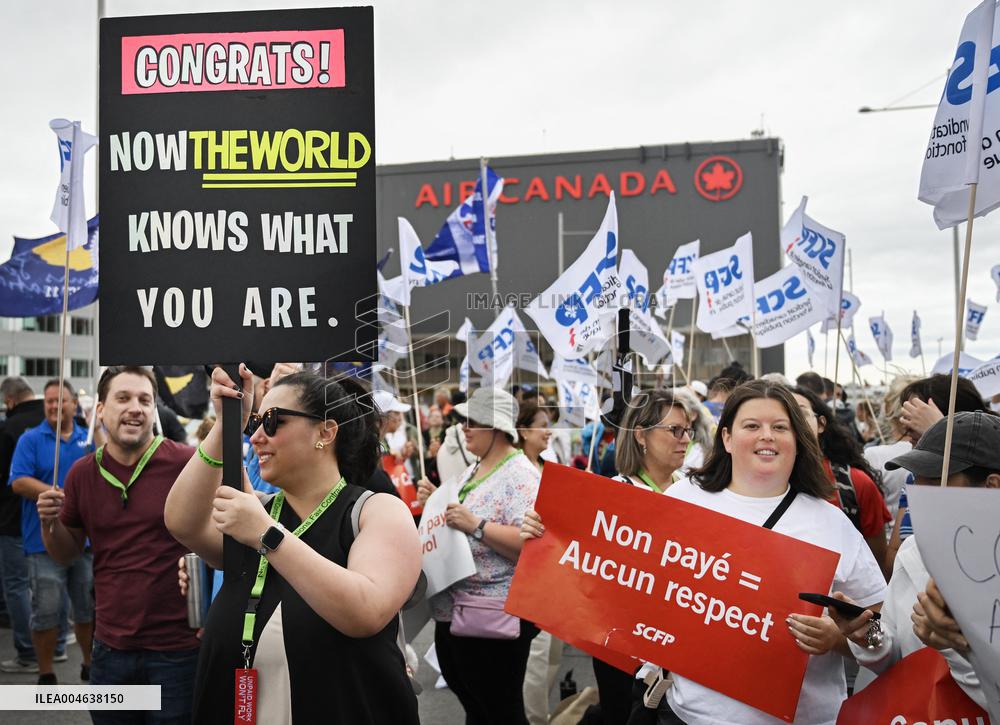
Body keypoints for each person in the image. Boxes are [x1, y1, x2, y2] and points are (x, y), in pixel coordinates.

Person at [525, 381, 886, 724]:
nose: (766, 436)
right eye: (751, 425)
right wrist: (550, 534)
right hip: (689, 715)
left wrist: (837, 639)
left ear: (798, 439)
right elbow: (617, 578)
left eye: (780, 426)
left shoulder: (831, 523)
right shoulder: (682, 501)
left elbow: (885, 636)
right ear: (726, 437)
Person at [164, 366, 421, 724]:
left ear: (325, 432)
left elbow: (365, 611)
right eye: (255, 422)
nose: (256, 437)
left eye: (272, 421)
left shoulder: (375, 510)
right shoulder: (260, 512)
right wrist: (226, 426)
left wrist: (267, 535)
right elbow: (182, 521)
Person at [37, 366, 201, 721]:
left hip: (178, 653)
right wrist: (48, 522)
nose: (136, 408)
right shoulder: (82, 473)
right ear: (100, 410)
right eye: (123, 398)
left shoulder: (187, 464)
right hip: (111, 650)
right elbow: (66, 553)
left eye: (145, 400)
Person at [522, 390, 692, 725]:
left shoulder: (697, 492)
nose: (684, 439)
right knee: (621, 715)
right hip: (620, 645)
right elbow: (573, 561)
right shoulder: (608, 496)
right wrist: (541, 531)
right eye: (674, 430)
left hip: (679, 643)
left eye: (688, 430)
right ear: (641, 435)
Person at [831, 411, 995, 710]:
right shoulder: (913, 551)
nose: (919, 494)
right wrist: (866, 633)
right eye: (915, 480)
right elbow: (894, 654)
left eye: (935, 480)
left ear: (992, 485)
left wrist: (955, 645)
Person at [416, 386, 541, 725]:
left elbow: (532, 544)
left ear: (497, 427)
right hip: (460, 613)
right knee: (479, 707)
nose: (463, 428)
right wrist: (436, 499)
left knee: (499, 710)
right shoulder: (476, 467)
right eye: (462, 420)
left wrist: (477, 525)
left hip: (493, 618)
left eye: (473, 421)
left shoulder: (522, 476)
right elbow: (458, 513)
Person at [9, 379, 95, 685]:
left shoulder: (88, 440)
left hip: (85, 543)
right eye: (49, 401)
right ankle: (46, 673)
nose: (55, 406)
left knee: (86, 609)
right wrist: (59, 493)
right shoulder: (30, 439)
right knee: (45, 610)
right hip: (41, 542)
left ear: (74, 404)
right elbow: (19, 481)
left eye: (61, 400)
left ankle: (88, 664)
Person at [792, 388, 891, 579]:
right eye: (781, 415)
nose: (789, 421)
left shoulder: (856, 483)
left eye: (799, 413)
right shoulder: (752, 485)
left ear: (821, 424)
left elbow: (876, 566)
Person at [515, 402, 560, 725]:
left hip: (556, 574)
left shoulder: (549, 465)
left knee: (552, 658)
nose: (548, 431)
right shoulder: (516, 471)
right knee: (537, 656)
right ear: (523, 430)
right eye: (542, 424)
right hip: (530, 577)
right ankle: (533, 719)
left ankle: (540, 714)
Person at [0, 377, 47, 674]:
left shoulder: (9, 429)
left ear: (10, 401)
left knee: (17, 586)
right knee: (54, 580)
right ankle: (54, 643)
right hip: (52, 518)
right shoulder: (59, 418)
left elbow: (11, 481)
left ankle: (29, 652)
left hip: (13, 518)